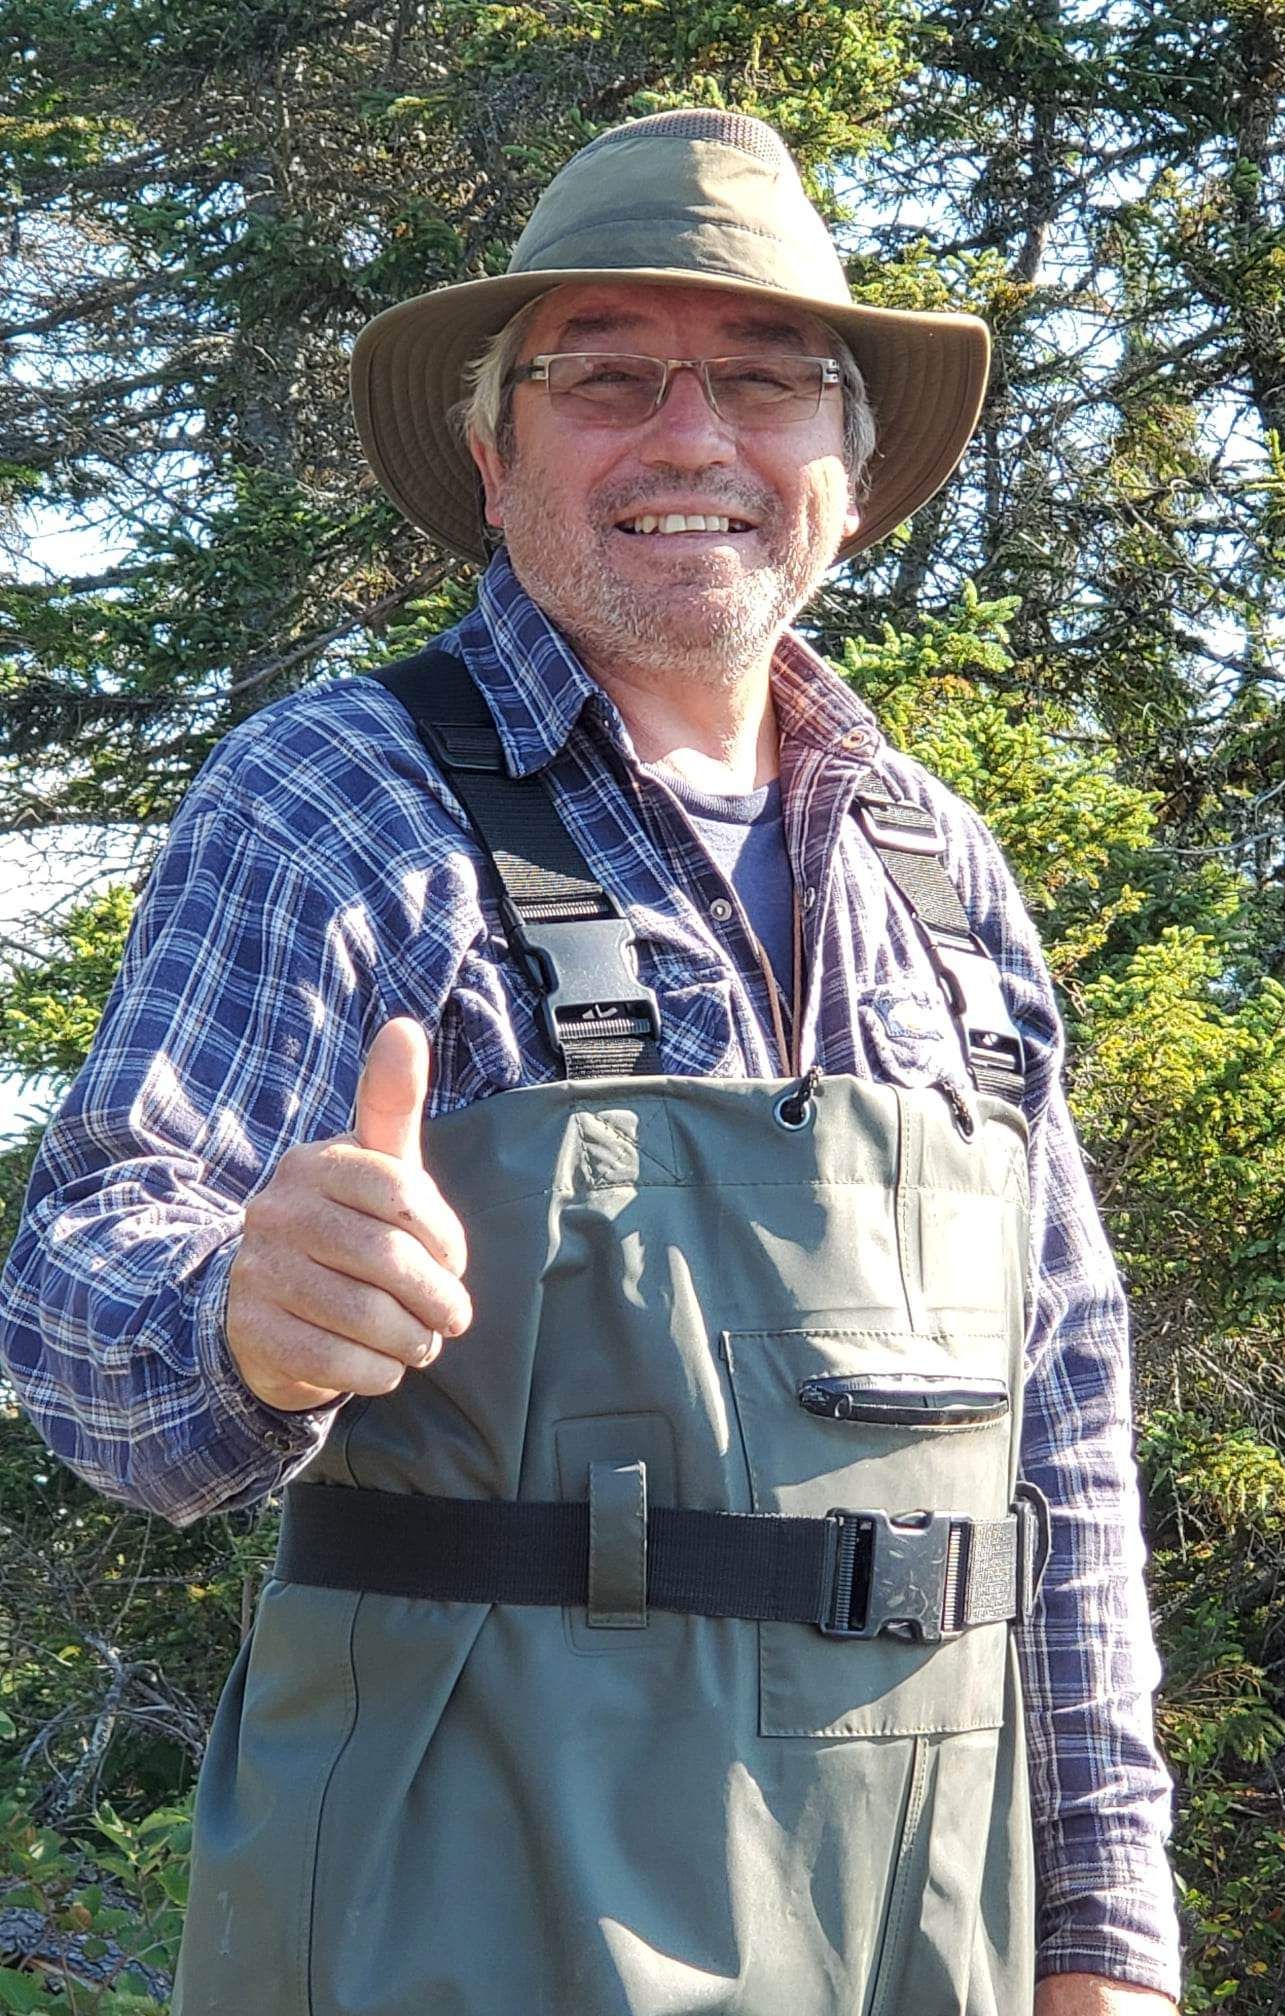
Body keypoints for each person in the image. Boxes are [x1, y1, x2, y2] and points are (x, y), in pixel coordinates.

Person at [0, 110, 1181, 2015]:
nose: (695, 437)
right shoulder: (341, 797)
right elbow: (79, 1299)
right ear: (495, 457)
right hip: (473, 1895)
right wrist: (239, 1315)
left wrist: (1107, 1932)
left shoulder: (943, 868)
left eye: (769, 381)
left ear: (851, 475)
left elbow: (1066, 1427)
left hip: (929, 1916)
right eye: (611, 379)